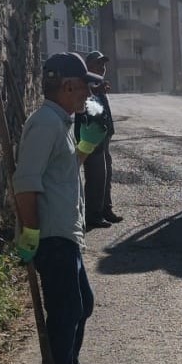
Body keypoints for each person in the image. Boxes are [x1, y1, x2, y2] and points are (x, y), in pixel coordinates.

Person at [13, 52, 109, 364]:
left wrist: (84, 146)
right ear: (67, 86)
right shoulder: (45, 124)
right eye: (85, 86)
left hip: (65, 234)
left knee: (80, 305)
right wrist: (31, 234)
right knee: (67, 310)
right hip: (51, 236)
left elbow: (63, 171)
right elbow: (25, 184)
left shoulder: (62, 122)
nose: (88, 93)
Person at [76, 51, 122, 230]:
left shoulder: (99, 84)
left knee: (105, 175)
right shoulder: (85, 84)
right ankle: (93, 216)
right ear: (88, 66)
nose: (101, 68)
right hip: (90, 139)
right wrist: (95, 90)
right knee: (96, 176)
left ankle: (105, 210)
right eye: (97, 65)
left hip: (102, 138)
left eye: (103, 65)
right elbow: (83, 103)